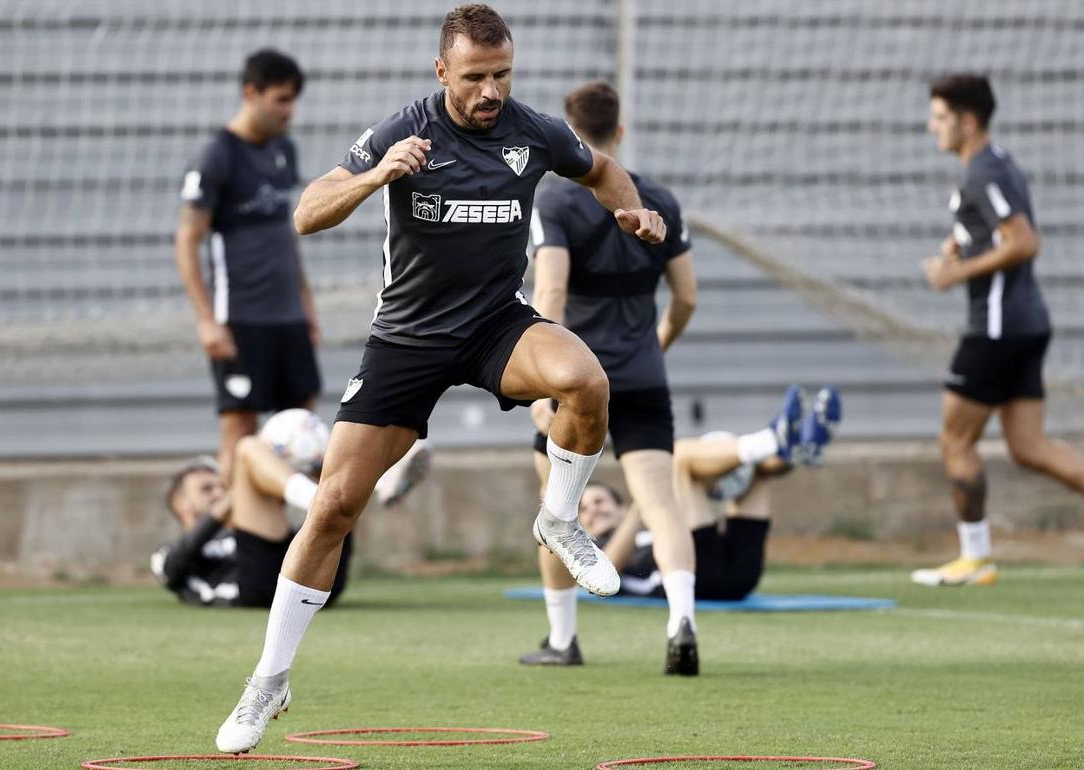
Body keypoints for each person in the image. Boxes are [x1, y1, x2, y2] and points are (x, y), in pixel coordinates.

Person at [214, 4, 669, 753]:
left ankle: (558, 518)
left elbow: (604, 170)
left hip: (496, 325)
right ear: (441, 72)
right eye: (475, 77)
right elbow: (306, 212)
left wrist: (635, 212)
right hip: (409, 338)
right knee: (332, 506)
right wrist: (377, 176)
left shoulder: (533, 131)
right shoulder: (404, 130)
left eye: (502, 75)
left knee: (587, 381)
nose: (491, 91)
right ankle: (269, 680)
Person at [518, 81, 701, 675]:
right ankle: (681, 621)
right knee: (663, 505)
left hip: (576, 384)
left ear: (570, 137)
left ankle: (563, 638)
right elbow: (687, 299)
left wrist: (546, 381)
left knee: (556, 506)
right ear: (619, 132)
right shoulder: (662, 202)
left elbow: (550, 294)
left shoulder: (559, 203)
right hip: (645, 376)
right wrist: (655, 345)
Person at [918, 73, 1084, 587]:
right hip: (1027, 323)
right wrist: (961, 243)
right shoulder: (998, 164)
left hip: (996, 329)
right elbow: (993, 231)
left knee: (954, 439)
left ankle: (975, 557)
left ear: (969, 121)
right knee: (1030, 448)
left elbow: (1023, 241)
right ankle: (976, 556)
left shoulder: (980, 173)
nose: (932, 128)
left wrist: (955, 272)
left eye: (941, 118)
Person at [542, 386, 840, 622]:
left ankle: (794, 453)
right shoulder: (593, 553)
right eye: (584, 510)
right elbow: (612, 567)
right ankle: (774, 440)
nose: (593, 510)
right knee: (676, 457)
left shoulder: (659, 526)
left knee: (757, 472)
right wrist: (643, 499)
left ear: (618, 507)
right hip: (696, 578)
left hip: (738, 577)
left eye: (599, 501)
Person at [174, 49, 322, 489]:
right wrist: (205, 320)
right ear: (250, 93)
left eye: (293, 100)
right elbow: (187, 239)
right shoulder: (217, 156)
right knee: (240, 431)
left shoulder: (284, 151)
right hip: (239, 319)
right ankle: (234, 541)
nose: (288, 110)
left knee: (302, 426)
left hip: (288, 316)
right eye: (280, 99)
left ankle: (289, 535)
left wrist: (307, 305)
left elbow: (286, 236)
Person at [151, 437, 352, 609]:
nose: (219, 493)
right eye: (207, 489)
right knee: (247, 448)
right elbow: (171, 569)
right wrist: (240, 487)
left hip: (315, 582)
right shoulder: (165, 555)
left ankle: (327, 497)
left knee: (333, 473)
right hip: (257, 591)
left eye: (222, 487)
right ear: (180, 504)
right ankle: (319, 499)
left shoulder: (243, 531)